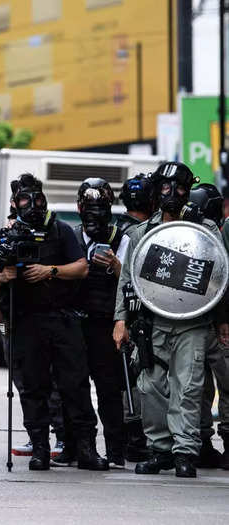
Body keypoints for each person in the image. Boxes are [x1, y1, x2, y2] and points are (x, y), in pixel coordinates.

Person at [0, 173, 107, 471]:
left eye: (38, 198)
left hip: (63, 319)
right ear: (15, 203)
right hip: (26, 322)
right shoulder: (8, 235)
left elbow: (81, 268)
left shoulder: (60, 231)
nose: (34, 205)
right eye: (26, 199)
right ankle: (40, 448)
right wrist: (3, 276)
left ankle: (86, 449)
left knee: (75, 385)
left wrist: (49, 271)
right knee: (33, 388)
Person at [113, 162, 227, 478]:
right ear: (156, 189)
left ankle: (185, 453)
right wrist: (120, 320)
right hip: (151, 322)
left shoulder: (204, 229)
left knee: (188, 387)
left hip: (192, 322)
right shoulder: (142, 233)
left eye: (179, 187)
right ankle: (160, 450)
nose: (172, 193)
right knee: (149, 387)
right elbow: (127, 280)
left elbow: (219, 274)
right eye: (165, 186)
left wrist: (221, 320)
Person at [63, 178, 128, 469]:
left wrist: (115, 266)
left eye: (100, 208)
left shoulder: (122, 238)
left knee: (109, 390)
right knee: (72, 387)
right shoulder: (70, 236)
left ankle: (115, 450)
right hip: (74, 324)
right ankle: (73, 446)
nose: (94, 215)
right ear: (79, 208)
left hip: (105, 324)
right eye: (88, 209)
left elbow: (131, 283)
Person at [188, 184, 229, 470]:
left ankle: (205, 443)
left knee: (203, 386)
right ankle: (206, 443)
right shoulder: (216, 232)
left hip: (203, 319)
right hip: (209, 320)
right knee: (204, 386)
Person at [115, 174, 155, 462]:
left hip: (132, 316)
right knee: (135, 378)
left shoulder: (127, 231)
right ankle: (137, 438)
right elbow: (125, 278)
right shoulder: (132, 233)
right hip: (135, 316)